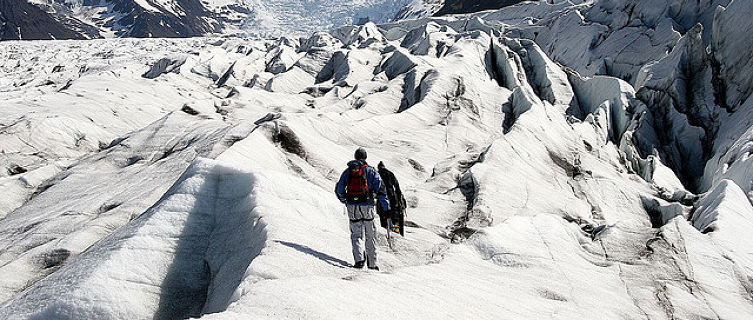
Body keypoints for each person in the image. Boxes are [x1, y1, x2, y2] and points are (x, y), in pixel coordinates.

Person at [335, 148, 389, 270]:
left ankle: (359, 260)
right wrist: (386, 208)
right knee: (370, 235)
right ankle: (372, 264)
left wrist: (345, 200)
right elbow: (381, 190)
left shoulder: (348, 172)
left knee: (356, 235)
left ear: (355, 156)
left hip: (352, 207)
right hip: (368, 206)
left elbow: (339, 189)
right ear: (365, 157)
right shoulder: (371, 171)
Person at [376, 161, 406, 236]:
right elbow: (396, 186)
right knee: (395, 216)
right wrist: (399, 199)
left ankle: (386, 230)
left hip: (381, 197)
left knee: (383, 216)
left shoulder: (377, 174)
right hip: (392, 196)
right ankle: (397, 230)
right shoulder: (390, 173)